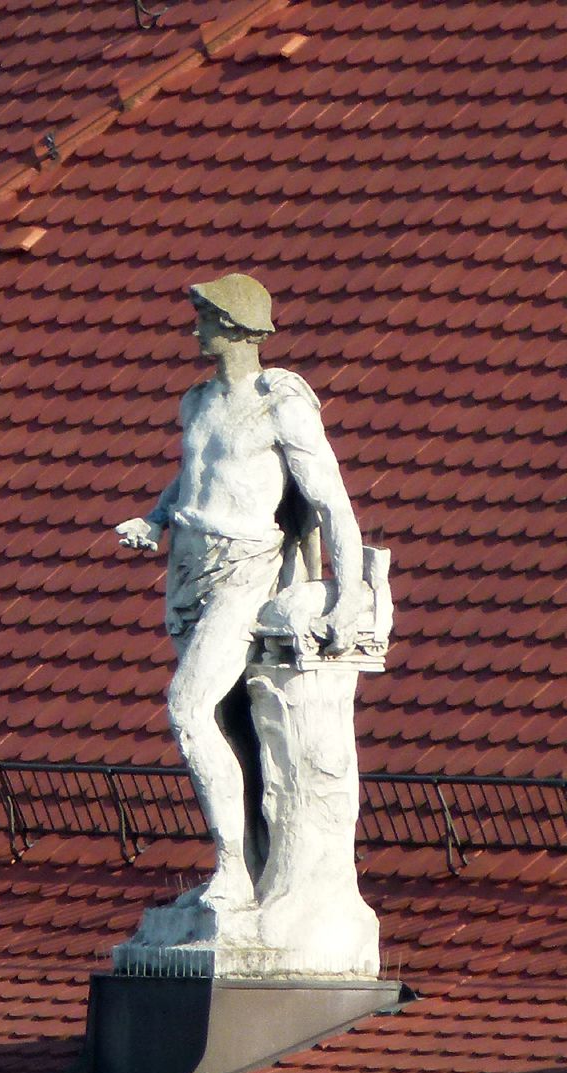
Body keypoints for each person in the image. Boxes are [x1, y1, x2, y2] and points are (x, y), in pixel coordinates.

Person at [115, 273, 363, 910]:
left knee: (187, 709)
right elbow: (191, 477)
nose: (196, 329)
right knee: (230, 721)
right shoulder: (195, 402)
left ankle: (230, 868)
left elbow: (330, 501)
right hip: (188, 571)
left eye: (204, 319)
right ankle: (249, 860)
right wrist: (157, 517)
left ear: (234, 326)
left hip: (247, 569)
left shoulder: (279, 403)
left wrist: (349, 593)